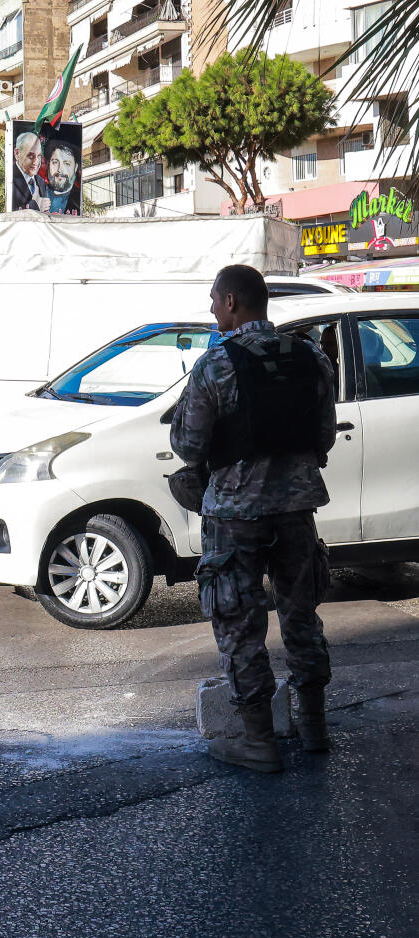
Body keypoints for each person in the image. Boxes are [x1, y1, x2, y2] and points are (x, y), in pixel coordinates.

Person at [171, 264, 336, 773]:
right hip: (296, 510)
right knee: (301, 617)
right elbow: (325, 436)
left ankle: (259, 742)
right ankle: (313, 728)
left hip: (235, 516)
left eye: (215, 301)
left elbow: (187, 444)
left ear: (233, 302)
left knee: (240, 625)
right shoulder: (309, 357)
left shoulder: (216, 364)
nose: (212, 309)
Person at [11, 131, 50, 212]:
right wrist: (37, 206)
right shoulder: (9, 179)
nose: (36, 162)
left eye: (39, 156)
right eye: (31, 156)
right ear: (17, 153)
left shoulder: (41, 182)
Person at [44, 139, 81, 215]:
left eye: (66, 164)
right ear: (49, 164)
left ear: (76, 167)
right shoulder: (36, 192)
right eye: (55, 162)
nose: (59, 170)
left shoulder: (79, 200)